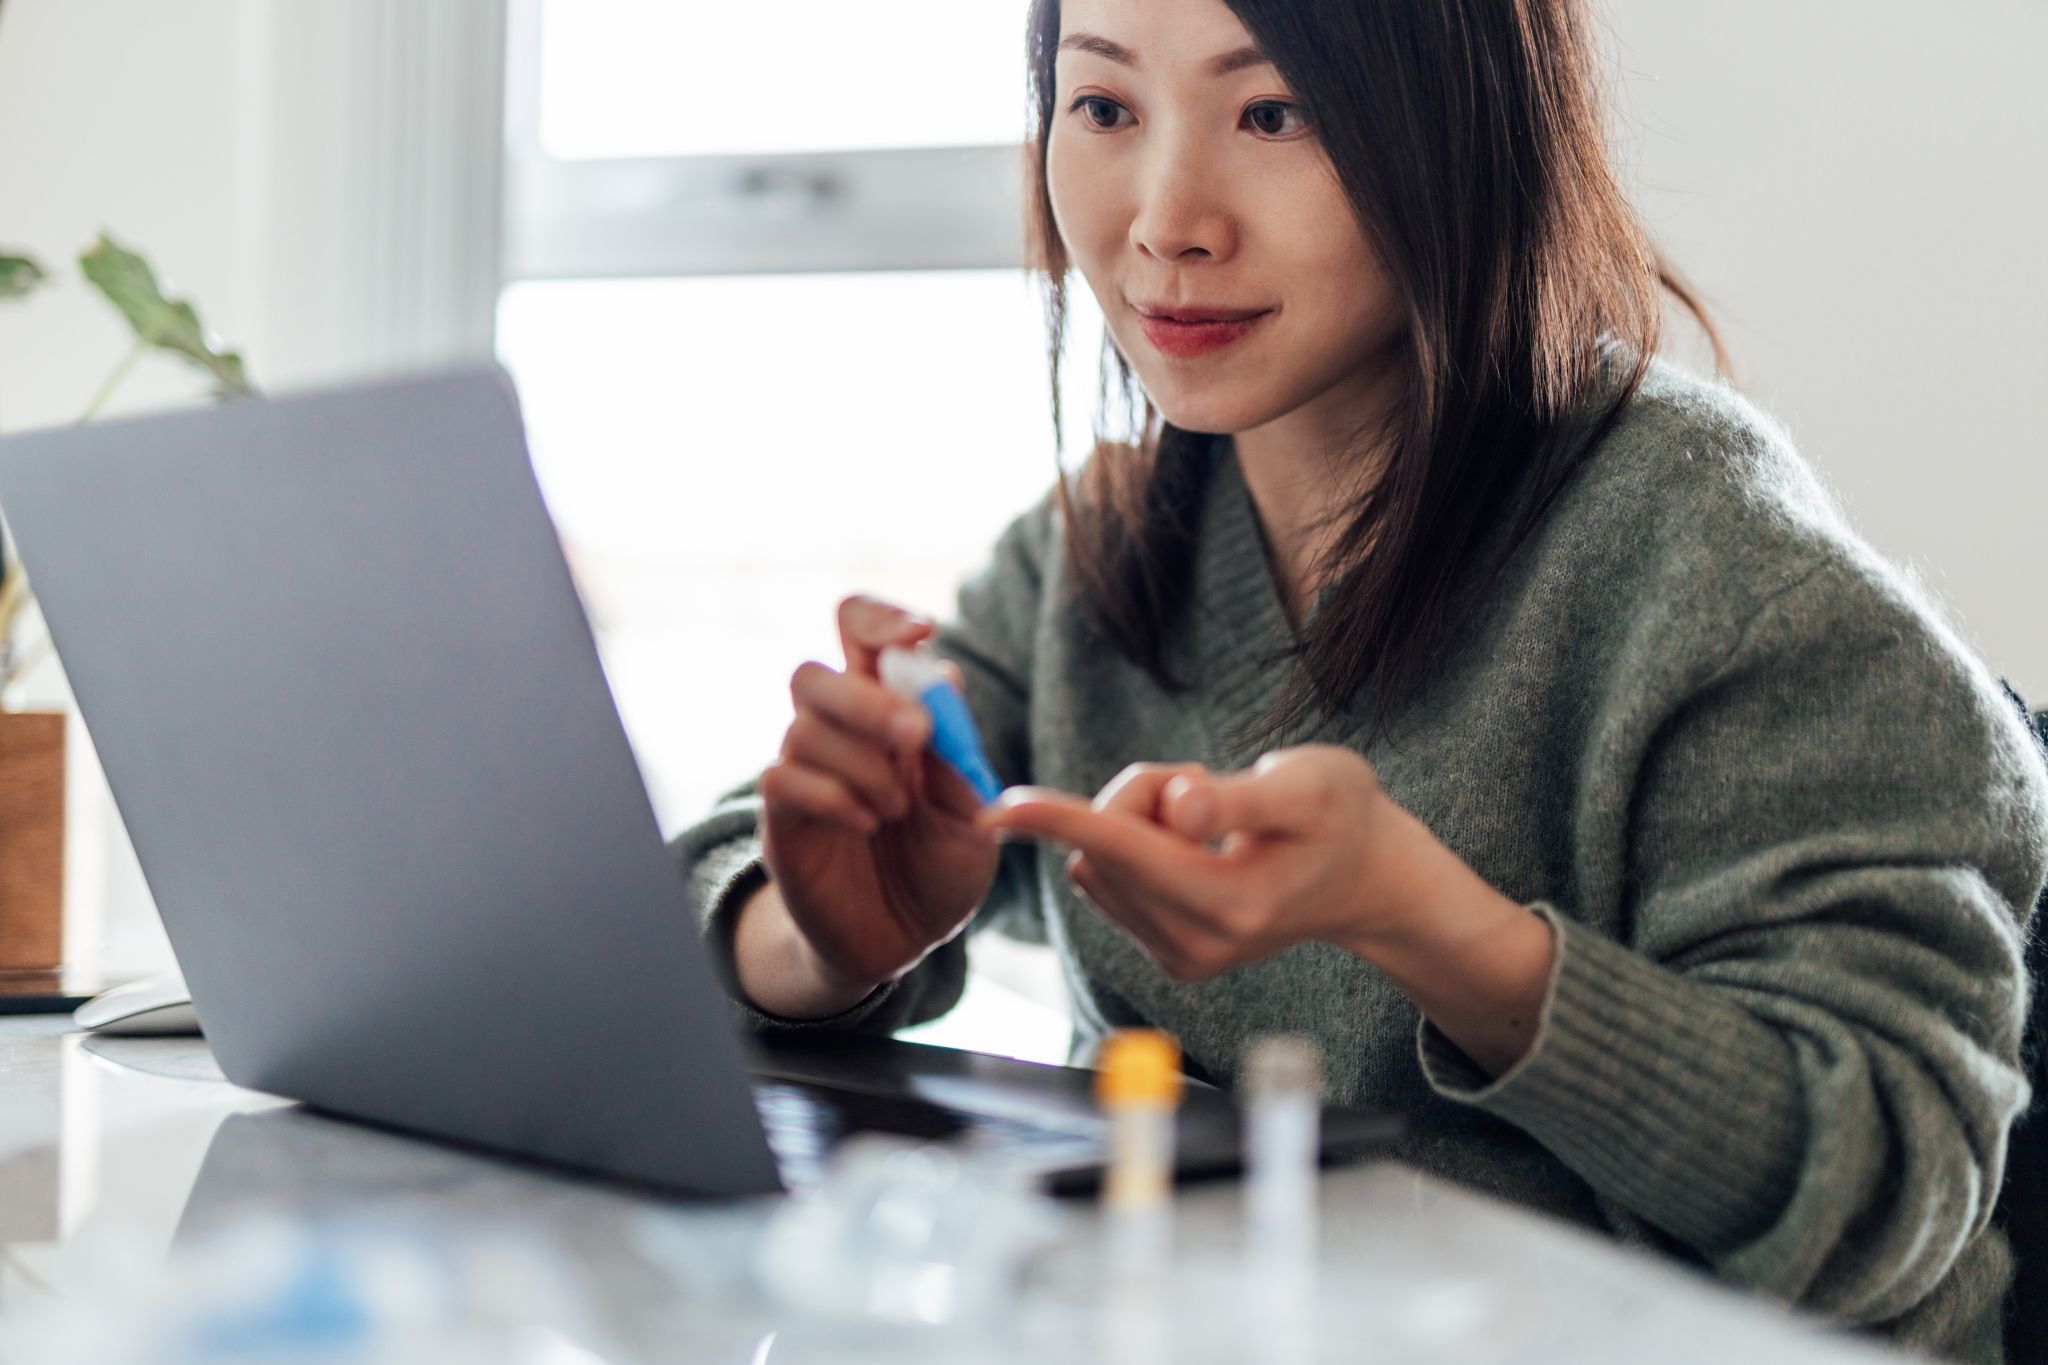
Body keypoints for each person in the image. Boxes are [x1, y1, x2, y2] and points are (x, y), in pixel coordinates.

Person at [670, 1, 2048, 1360]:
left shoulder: (1739, 589)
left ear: (1463, 132)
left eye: (1276, 112)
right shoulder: (1108, 545)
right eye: (1104, 107)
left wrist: (1429, 925)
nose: (1167, 220)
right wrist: (825, 938)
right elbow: (689, 892)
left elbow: (1888, 1197)